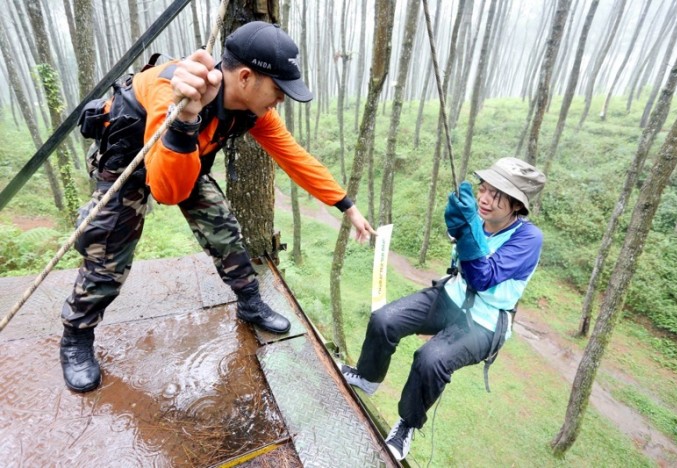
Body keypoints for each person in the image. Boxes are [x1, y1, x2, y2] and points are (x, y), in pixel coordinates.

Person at [60, 21, 374, 393]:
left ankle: (250, 301)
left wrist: (347, 206)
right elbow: (167, 191)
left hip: (183, 156)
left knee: (224, 229)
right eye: (278, 90)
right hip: (129, 162)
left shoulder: (253, 110)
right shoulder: (171, 93)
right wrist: (186, 119)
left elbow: (295, 157)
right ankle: (76, 336)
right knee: (108, 252)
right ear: (246, 77)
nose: (281, 100)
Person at [341, 157, 546, 461]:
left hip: (484, 321)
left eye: (496, 195)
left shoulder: (528, 239)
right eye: (483, 189)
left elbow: (482, 278)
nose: (484, 199)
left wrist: (467, 229)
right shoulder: (480, 220)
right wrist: (462, 228)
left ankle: (407, 424)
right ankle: (368, 378)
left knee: (431, 360)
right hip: (451, 295)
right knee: (384, 320)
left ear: (517, 205)